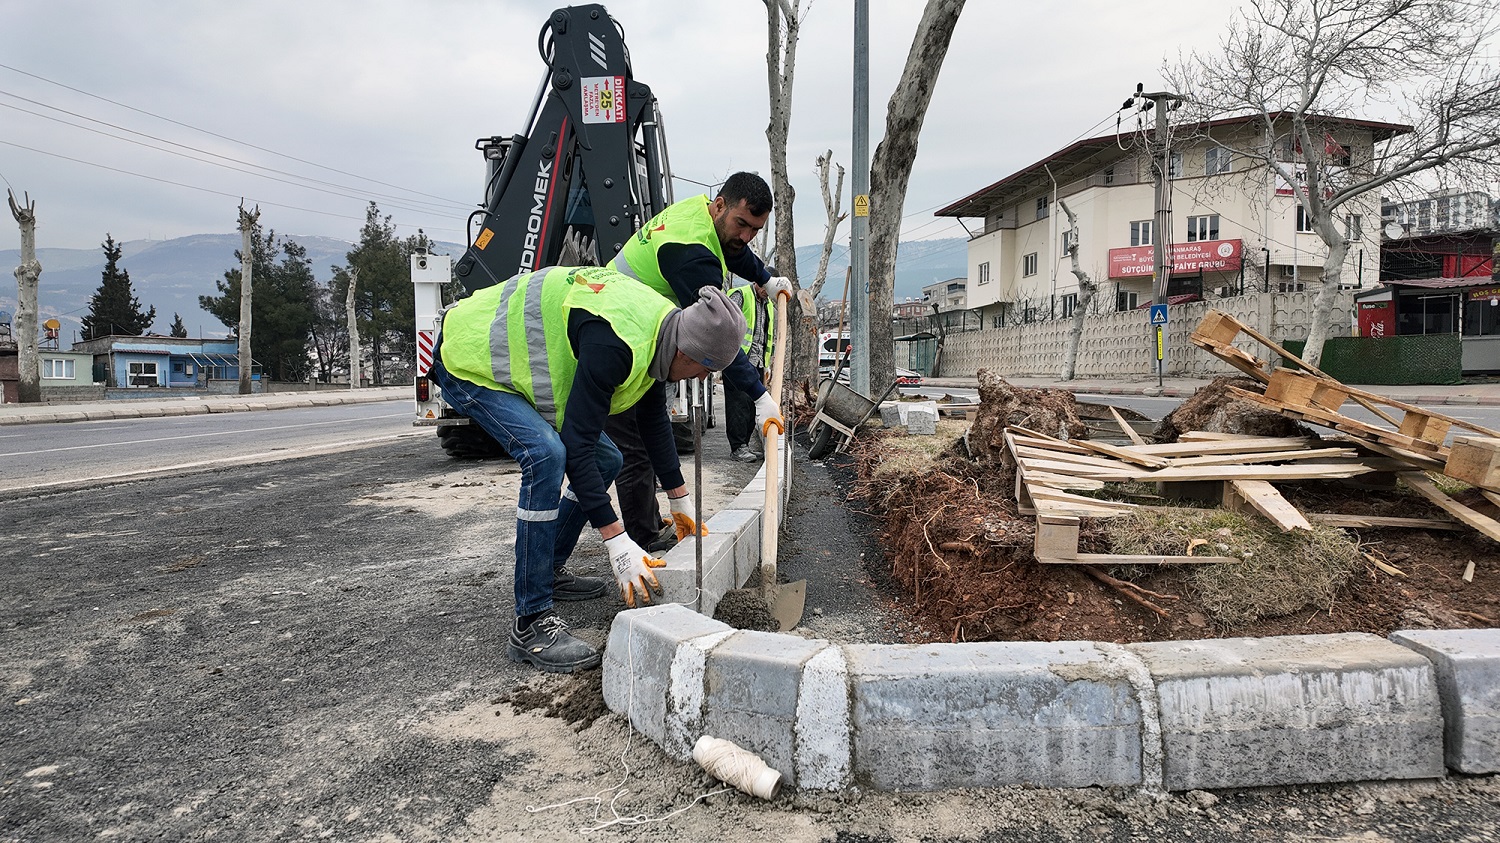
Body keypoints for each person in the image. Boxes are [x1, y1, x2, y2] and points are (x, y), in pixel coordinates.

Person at [428, 265, 746, 673]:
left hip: (507, 364)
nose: (703, 377)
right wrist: (617, 541)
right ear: (686, 352)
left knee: (608, 458)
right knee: (546, 456)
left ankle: (550, 569)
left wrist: (680, 500)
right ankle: (531, 622)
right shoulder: (616, 341)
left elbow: (652, 419)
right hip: (470, 357)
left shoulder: (663, 330)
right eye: (705, 368)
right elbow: (576, 446)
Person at [607, 172, 793, 549]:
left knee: (643, 435)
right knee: (629, 449)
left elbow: (734, 249)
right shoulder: (691, 253)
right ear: (721, 204)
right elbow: (718, 339)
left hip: (641, 334)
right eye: (742, 224)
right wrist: (759, 396)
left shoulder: (698, 213)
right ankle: (641, 539)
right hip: (618, 340)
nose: (746, 236)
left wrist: (765, 278)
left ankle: (652, 523)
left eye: (755, 230)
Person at [725, 279, 775, 461]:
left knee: (751, 406)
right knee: (738, 405)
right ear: (756, 282)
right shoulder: (741, 296)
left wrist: (766, 365)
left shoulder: (768, 305)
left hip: (758, 362)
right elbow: (726, 323)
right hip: (737, 361)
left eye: (768, 289)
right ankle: (737, 448)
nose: (765, 291)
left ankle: (745, 445)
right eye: (763, 287)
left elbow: (765, 336)